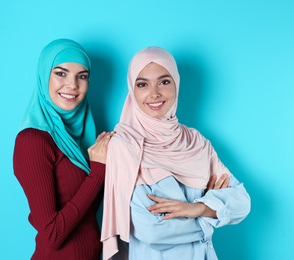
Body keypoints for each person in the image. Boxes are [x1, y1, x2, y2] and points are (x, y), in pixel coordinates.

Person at [100, 46, 251, 260]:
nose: (154, 93)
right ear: (132, 90)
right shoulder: (125, 145)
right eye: (143, 84)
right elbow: (150, 230)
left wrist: (197, 208)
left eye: (164, 81)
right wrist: (212, 213)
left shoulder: (196, 142)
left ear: (176, 84)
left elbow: (242, 202)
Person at [13, 38, 113, 260]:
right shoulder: (33, 140)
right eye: (61, 73)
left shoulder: (82, 138)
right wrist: (97, 171)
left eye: (82, 76)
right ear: (44, 75)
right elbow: (52, 234)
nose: (72, 85)